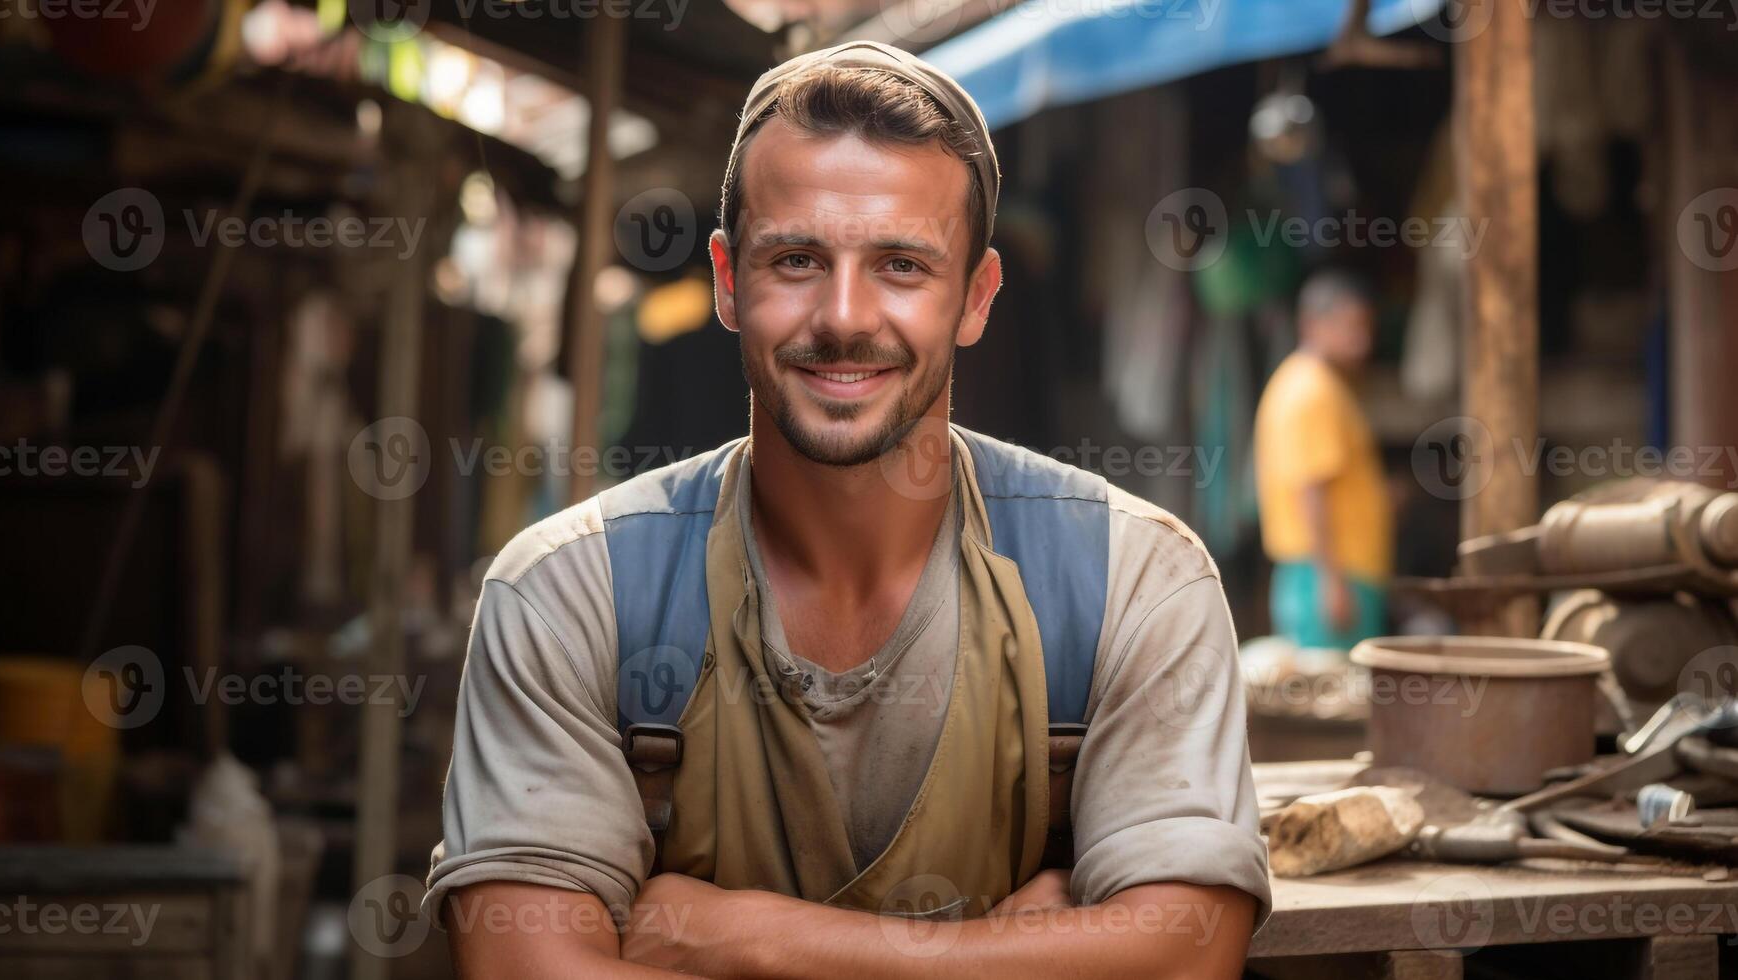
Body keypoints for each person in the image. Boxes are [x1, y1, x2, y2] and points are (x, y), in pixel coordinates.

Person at [427, 41, 1269, 978]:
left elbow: (1185, 956)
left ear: (976, 297)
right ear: (726, 280)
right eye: (795, 258)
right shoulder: (565, 594)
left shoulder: (1132, 580)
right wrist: (1010, 948)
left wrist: (741, 938)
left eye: (901, 265)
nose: (843, 315)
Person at [1254, 271, 1393, 651]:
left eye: (1364, 327)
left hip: (1331, 573)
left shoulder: (1316, 384)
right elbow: (1309, 488)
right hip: (1328, 576)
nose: (1360, 340)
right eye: (1348, 326)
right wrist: (1332, 583)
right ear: (1312, 325)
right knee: (1334, 696)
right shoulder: (1311, 391)